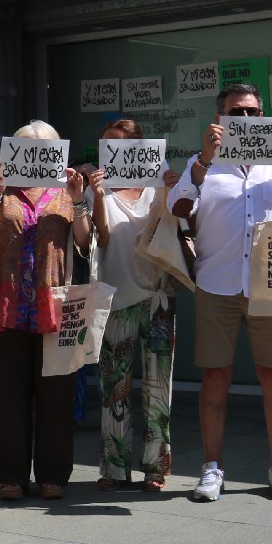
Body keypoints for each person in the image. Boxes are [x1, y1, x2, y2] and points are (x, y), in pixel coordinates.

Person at [170, 82, 272, 502]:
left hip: (269, 283)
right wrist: (204, 160)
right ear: (220, 117)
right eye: (236, 112)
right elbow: (179, 209)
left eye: (252, 112)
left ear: (263, 115)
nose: (245, 119)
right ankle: (211, 467)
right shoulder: (203, 162)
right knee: (215, 375)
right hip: (216, 283)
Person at [0, 121, 96, 501]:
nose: (34, 156)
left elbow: (85, 242)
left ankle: (53, 474)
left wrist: (79, 200)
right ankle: (11, 475)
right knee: (9, 395)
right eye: (27, 149)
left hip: (54, 306)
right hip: (6, 306)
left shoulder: (66, 194)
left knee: (56, 395)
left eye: (42, 149)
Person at [90, 119, 177, 492]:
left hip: (157, 297)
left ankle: (156, 467)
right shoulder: (100, 187)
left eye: (120, 144)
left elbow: (169, 226)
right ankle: (113, 468)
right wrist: (96, 195)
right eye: (107, 144)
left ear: (138, 147)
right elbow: (102, 236)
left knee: (159, 385)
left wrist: (170, 190)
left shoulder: (157, 182)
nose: (112, 150)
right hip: (115, 297)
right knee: (114, 386)